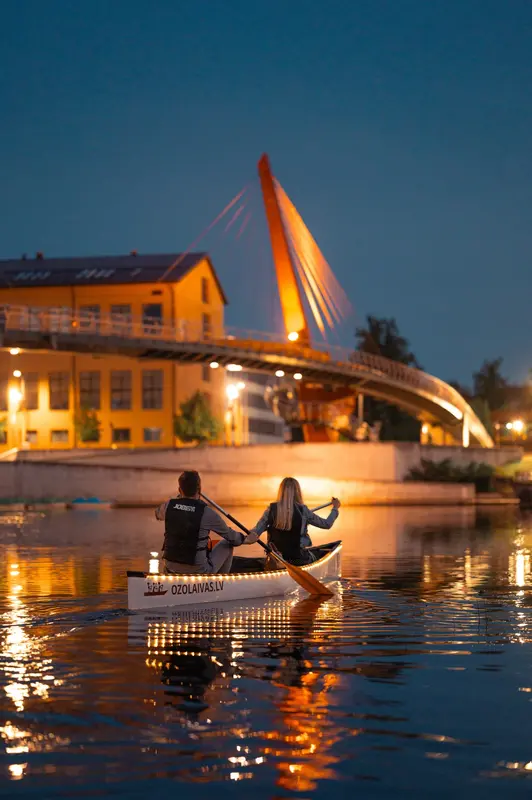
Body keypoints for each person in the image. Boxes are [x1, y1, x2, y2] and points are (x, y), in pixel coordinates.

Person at [154, 470, 253, 575]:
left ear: (179, 489)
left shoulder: (169, 506)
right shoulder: (207, 512)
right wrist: (247, 539)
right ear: (199, 490)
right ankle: (221, 582)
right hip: (198, 571)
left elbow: (157, 514)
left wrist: (180, 500)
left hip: (170, 568)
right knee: (226, 544)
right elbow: (233, 538)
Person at [249, 477, 341, 566]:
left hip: (275, 558)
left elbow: (255, 533)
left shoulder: (270, 510)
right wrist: (335, 508)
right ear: (297, 492)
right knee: (313, 555)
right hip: (299, 559)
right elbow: (326, 524)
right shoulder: (304, 511)